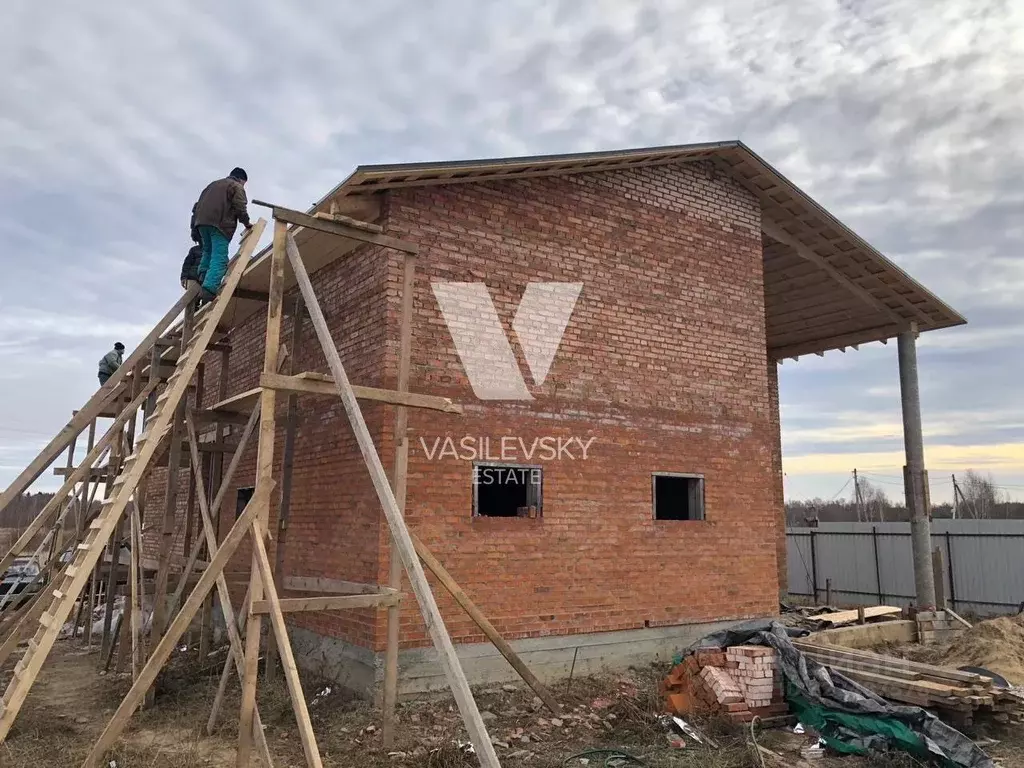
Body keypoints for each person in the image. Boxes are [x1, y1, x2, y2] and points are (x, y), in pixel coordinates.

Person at [191, 167, 253, 302]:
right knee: (219, 257)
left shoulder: (212, 185)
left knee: (208, 251)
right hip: (220, 224)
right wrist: (247, 223)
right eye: (244, 183)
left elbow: (197, 206)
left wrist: (195, 227)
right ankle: (209, 290)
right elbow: (240, 206)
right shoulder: (236, 186)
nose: (243, 186)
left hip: (201, 223)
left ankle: (202, 276)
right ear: (241, 179)